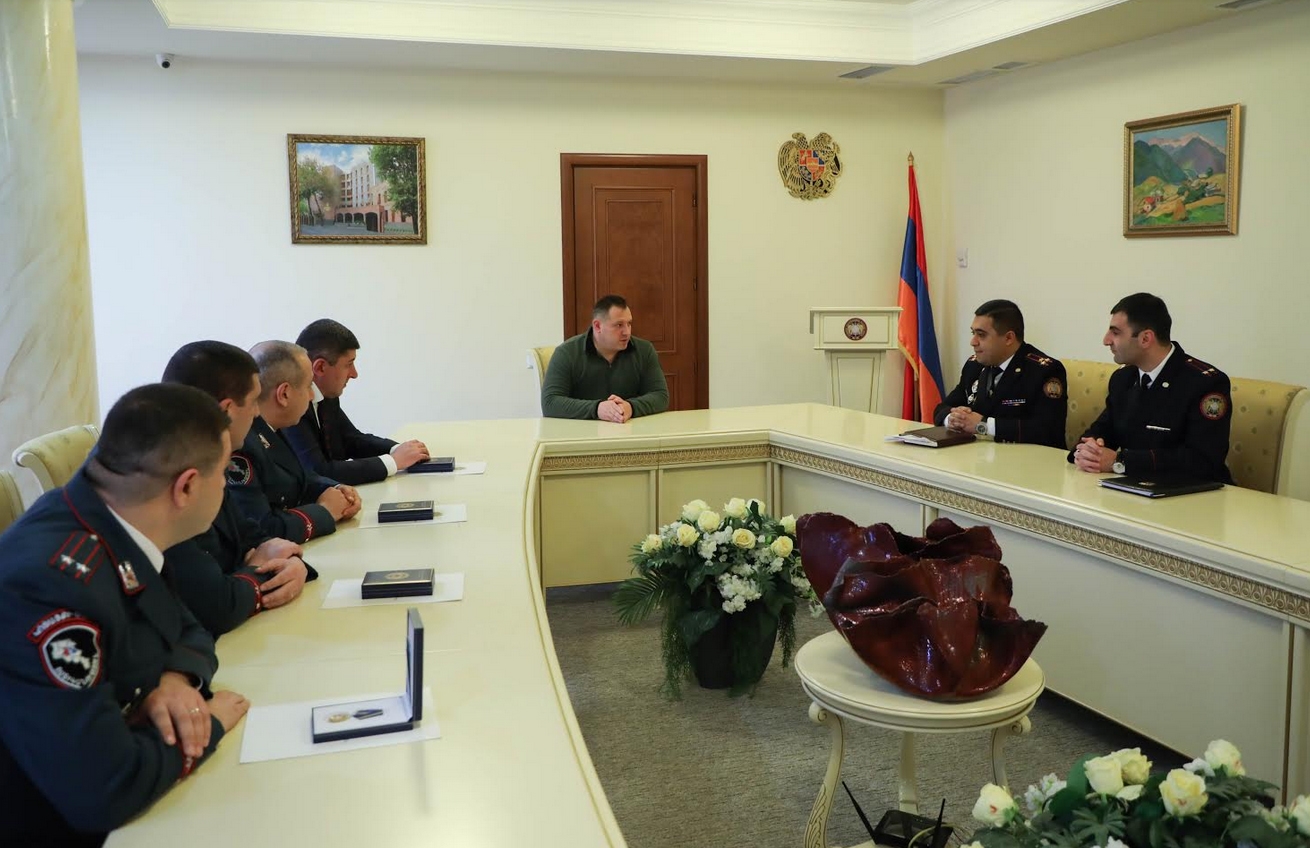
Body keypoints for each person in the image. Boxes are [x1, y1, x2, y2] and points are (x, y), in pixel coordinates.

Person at [0, 384, 250, 846]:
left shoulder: (110, 521)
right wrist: (208, 724)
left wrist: (173, 680)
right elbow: (101, 789)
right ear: (187, 487)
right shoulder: (49, 587)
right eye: (223, 472)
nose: (226, 486)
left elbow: (188, 626)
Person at [162, 341, 314, 636]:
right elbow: (215, 606)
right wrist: (259, 573)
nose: (257, 413)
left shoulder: (203, 456)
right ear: (226, 411)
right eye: (254, 401)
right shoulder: (171, 474)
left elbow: (252, 535)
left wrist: (292, 563)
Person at [1070, 292, 1233, 483]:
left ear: (1145, 339)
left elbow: (1203, 461)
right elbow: (1101, 431)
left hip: (1194, 495)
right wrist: (1086, 451)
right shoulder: (1123, 379)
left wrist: (1120, 461)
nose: (1106, 340)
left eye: (1116, 333)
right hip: (1136, 490)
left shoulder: (1204, 383)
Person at [228, 341, 362, 543]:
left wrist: (335, 489)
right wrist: (325, 511)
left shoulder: (273, 428)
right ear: (284, 394)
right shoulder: (242, 444)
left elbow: (300, 478)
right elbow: (262, 527)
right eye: (309, 386)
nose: (312, 395)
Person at [284, 318, 430, 485]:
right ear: (320, 367)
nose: (354, 374)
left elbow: (351, 440)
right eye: (349, 365)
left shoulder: (327, 395)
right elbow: (319, 472)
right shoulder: (292, 405)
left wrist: (399, 450)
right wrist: (394, 462)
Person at [934, 299, 1068, 449]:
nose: (973, 342)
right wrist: (952, 418)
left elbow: (1048, 430)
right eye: (973, 333)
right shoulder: (974, 366)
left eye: (981, 335)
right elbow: (942, 408)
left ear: (1008, 338)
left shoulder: (1044, 370)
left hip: (1026, 460)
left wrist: (984, 425)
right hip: (980, 456)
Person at [541, 294, 669, 422]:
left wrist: (631, 407)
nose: (627, 332)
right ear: (597, 326)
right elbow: (550, 402)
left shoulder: (644, 350)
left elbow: (661, 396)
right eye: (619, 325)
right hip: (582, 431)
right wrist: (597, 409)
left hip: (630, 429)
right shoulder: (567, 353)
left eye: (629, 324)